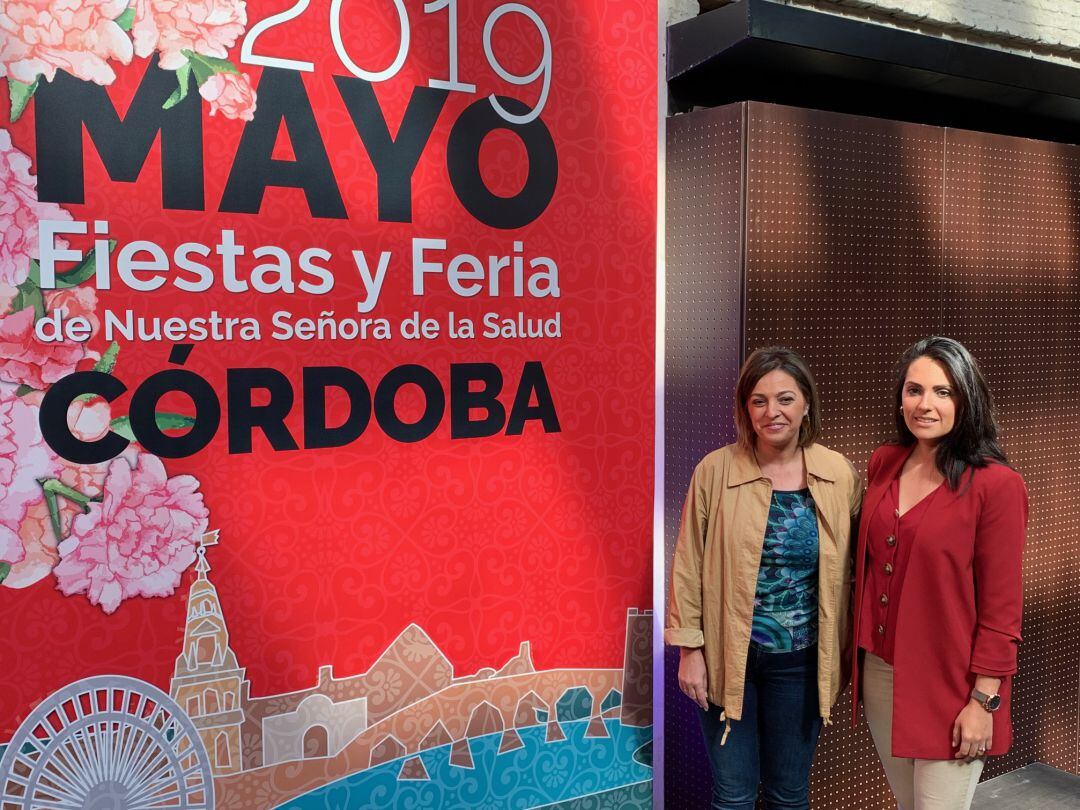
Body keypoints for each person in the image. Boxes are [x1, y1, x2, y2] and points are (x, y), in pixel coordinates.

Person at [666, 347, 862, 810]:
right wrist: (689, 649)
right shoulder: (714, 471)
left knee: (788, 795)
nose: (772, 412)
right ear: (745, 408)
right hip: (726, 656)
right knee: (732, 796)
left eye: (785, 399)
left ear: (806, 404)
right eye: (758, 400)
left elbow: (858, 567)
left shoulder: (837, 473)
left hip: (800, 662)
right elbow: (688, 563)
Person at [851, 337, 1028, 810]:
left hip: (954, 685)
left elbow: (1002, 609)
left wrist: (982, 702)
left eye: (943, 392)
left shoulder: (997, 485)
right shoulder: (884, 462)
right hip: (883, 674)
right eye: (914, 390)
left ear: (967, 399)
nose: (924, 404)